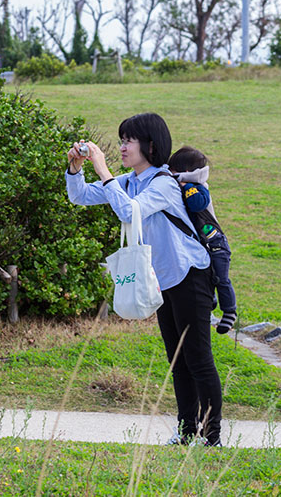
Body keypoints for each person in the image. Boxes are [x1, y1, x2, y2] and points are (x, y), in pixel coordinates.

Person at [65, 113, 223, 447]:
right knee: (178, 361)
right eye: (121, 140)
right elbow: (80, 197)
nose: (122, 147)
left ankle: (212, 439)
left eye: (128, 141)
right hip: (164, 279)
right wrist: (75, 169)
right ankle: (185, 434)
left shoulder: (163, 183)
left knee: (199, 359)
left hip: (191, 275)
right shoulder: (132, 181)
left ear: (150, 145)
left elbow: (129, 212)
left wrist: (103, 169)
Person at [168, 146, 237, 334]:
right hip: (203, 245)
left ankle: (230, 312)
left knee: (221, 278)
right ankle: (210, 301)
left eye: (173, 170)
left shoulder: (199, 187)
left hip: (216, 244)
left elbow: (198, 204)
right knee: (205, 276)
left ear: (186, 172)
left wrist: (187, 186)